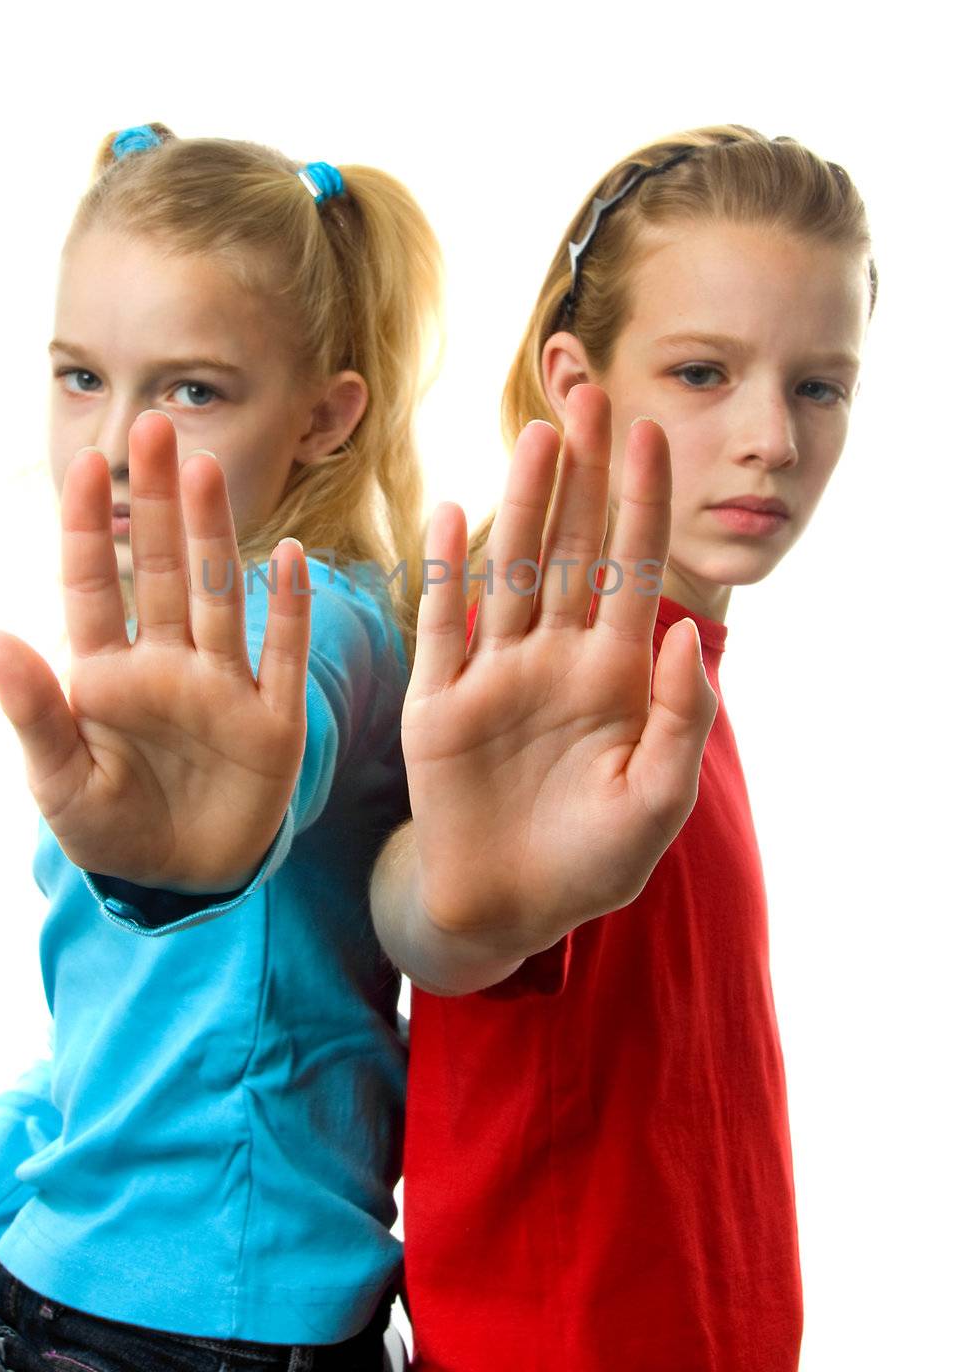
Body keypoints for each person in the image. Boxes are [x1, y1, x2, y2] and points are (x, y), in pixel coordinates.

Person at [0, 124, 443, 1370]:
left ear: (322, 418)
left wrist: (191, 865)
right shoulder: (160, 668)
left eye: (190, 390)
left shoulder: (313, 627)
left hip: (173, 1327)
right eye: (82, 375)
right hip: (91, 1284)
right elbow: (97, 1071)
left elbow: (278, 755)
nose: (117, 442)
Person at [369, 126, 877, 1371]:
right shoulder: (533, 676)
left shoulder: (684, 668)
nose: (774, 437)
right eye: (702, 372)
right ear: (571, 381)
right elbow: (432, 913)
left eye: (819, 384)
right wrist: (460, 897)